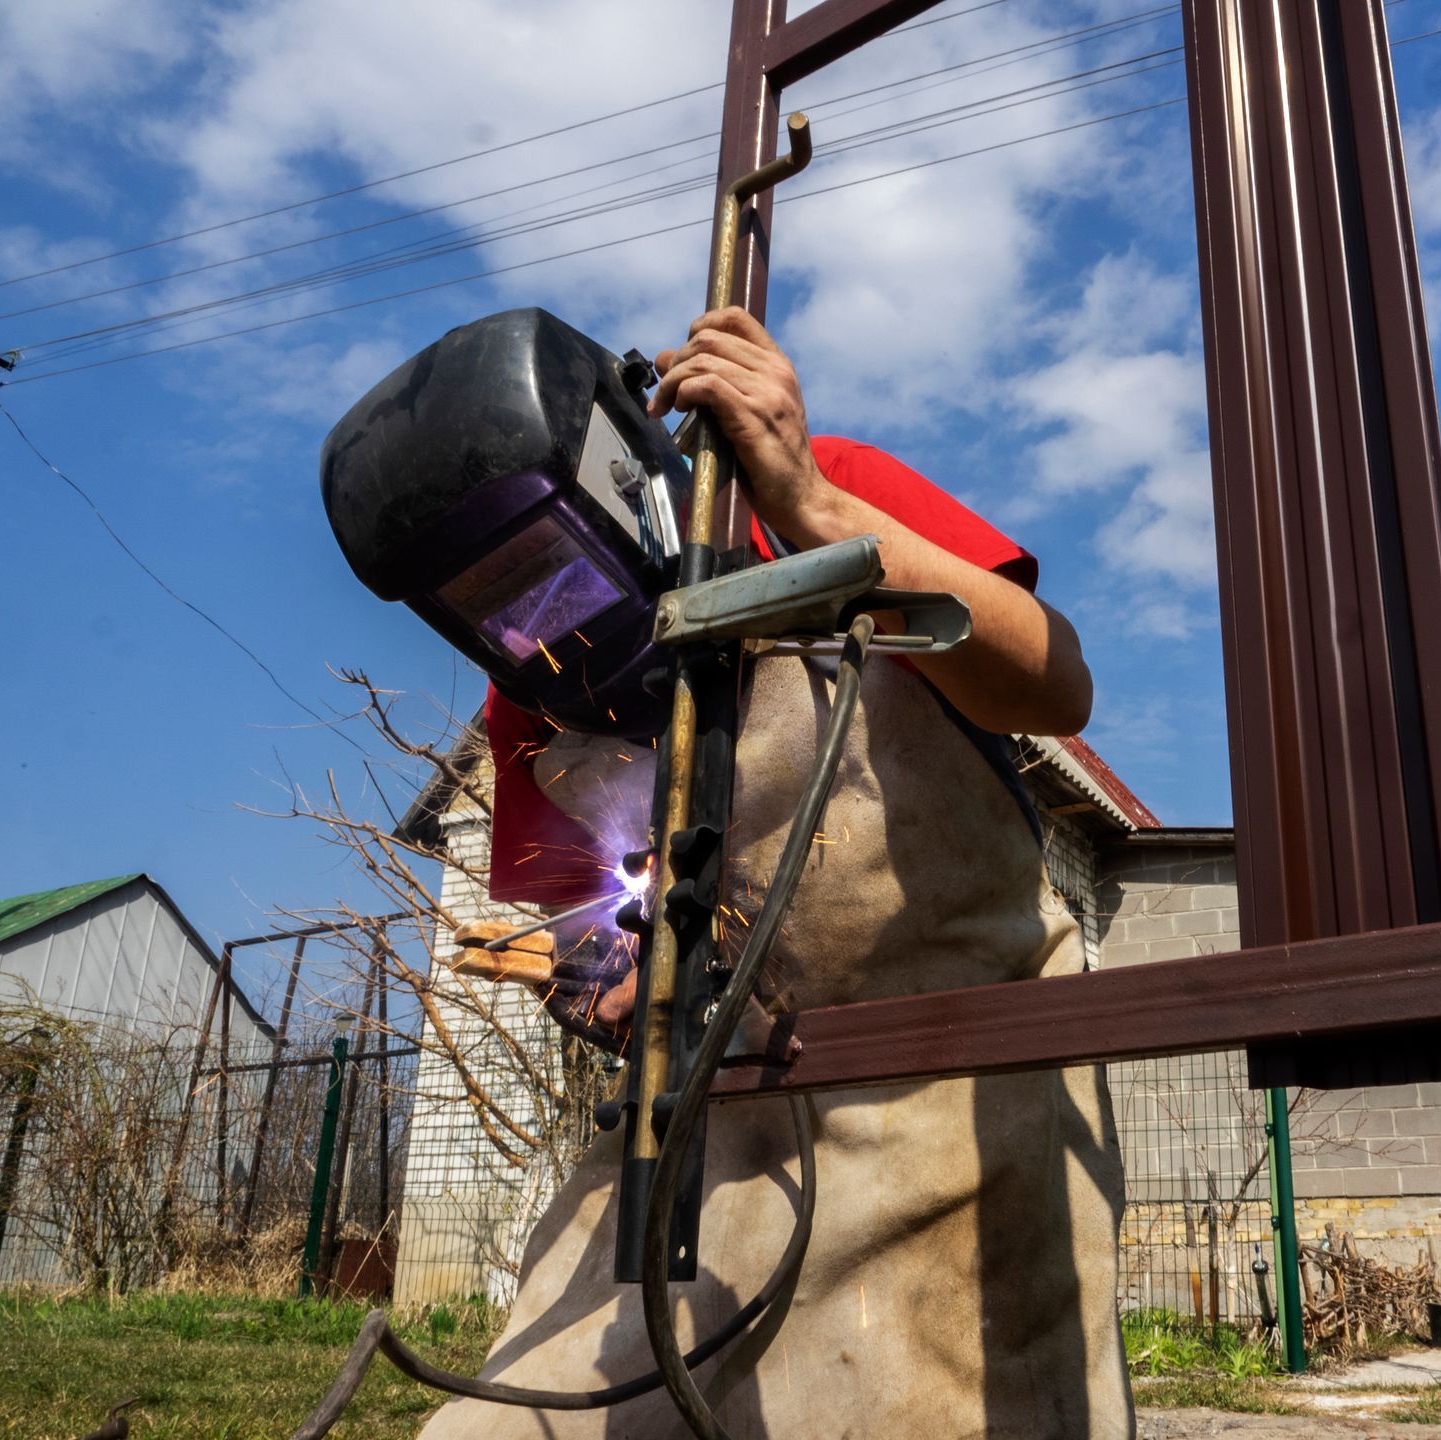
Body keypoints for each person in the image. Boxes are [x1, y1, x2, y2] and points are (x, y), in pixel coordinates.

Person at [430, 309, 1134, 1440]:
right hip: (717, 1120)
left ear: (605, 487)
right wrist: (600, 971)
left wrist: (813, 508)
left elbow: (1056, 684)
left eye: (536, 550)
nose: (528, 602)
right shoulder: (543, 671)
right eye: (485, 591)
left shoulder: (822, 491)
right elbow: (569, 920)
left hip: (959, 1097)